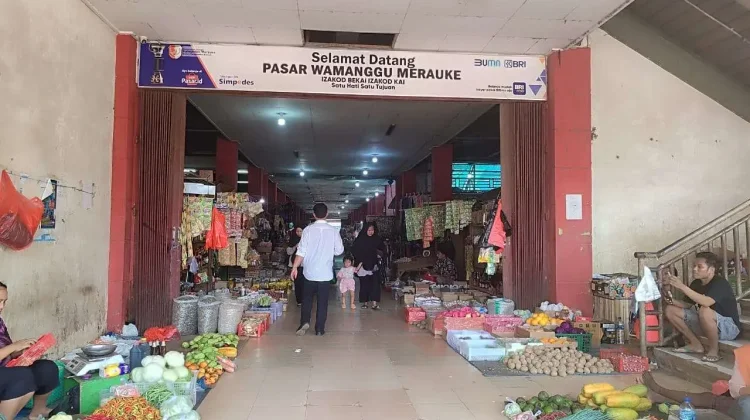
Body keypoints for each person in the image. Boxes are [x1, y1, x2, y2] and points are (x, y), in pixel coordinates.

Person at [664, 251, 740, 362]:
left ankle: (714, 350)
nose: (695, 269)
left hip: (728, 328)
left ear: (711, 269)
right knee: (670, 310)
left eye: (700, 267)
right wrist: (671, 300)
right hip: (706, 324)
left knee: (704, 310)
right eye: (694, 266)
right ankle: (695, 344)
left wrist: (682, 287)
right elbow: (688, 305)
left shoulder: (720, 283)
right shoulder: (696, 283)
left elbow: (706, 302)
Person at [642, 343, 750, 420]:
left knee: (743, 405)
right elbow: (736, 390)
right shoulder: (746, 353)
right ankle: (660, 392)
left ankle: (660, 394)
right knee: (713, 400)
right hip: (739, 398)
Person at [0, 282, 60, 420]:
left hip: (6, 369)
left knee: (46, 368)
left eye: (4, 301)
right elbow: (9, 348)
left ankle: (37, 413)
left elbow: (8, 352)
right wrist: (14, 346)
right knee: (22, 376)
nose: (2, 306)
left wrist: (25, 352)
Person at [291, 203, 344, 336]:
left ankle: (304, 322)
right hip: (325, 274)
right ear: (327, 214)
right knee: (322, 302)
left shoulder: (307, 230)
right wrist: (328, 251)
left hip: (309, 273)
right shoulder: (333, 231)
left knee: (307, 300)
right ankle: (319, 328)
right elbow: (339, 251)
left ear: (314, 215)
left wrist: (295, 267)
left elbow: (301, 251)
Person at [352, 222, 385, 310]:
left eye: (372, 230)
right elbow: (354, 250)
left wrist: (379, 253)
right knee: (364, 285)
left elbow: (383, 249)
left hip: (374, 265)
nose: (371, 232)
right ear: (365, 230)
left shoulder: (376, 239)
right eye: (369, 230)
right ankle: (365, 303)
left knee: (375, 285)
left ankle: (374, 304)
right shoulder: (360, 240)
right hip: (363, 266)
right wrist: (361, 260)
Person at [287, 226, 304, 307]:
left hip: (304, 264)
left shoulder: (306, 240)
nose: (299, 233)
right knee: (297, 283)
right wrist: (295, 246)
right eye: (297, 231)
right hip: (295, 265)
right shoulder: (292, 240)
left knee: (304, 283)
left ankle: (305, 299)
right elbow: (289, 252)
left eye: (301, 231)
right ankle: (299, 300)